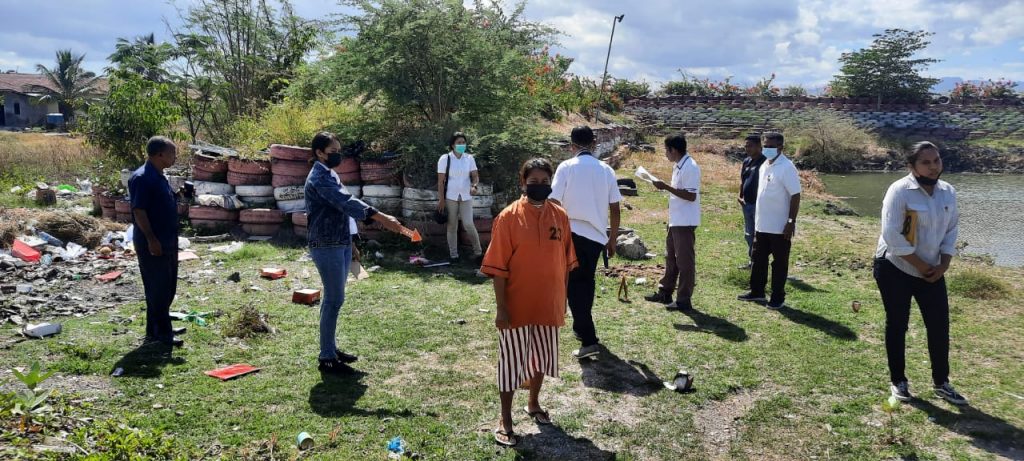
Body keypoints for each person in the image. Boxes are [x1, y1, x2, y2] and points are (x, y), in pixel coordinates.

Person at [481, 158, 577, 447]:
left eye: (544, 182)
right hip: (517, 306)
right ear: (522, 182)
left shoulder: (560, 216)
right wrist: (502, 308)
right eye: (533, 182)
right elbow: (498, 269)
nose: (539, 186)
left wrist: (563, 299)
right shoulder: (508, 218)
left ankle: (533, 403)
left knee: (542, 357)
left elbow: (566, 262)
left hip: (548, 302)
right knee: (511, 363)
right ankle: (505, 420)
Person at [875, 141, 967, 405]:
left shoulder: (948, 192)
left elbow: (951, 231)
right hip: (895, 266)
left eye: (936, 160)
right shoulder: (899, 191)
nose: (933, 167)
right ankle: (898, 381)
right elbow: (893, 236)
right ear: (912, 166)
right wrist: (921, 266)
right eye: (926, 162)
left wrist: (944, 264)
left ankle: (941, 382)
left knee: (939, 325)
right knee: (897, 323)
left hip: (932, 270)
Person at [305, 131, 404, 374]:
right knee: (333, 300)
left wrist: (351, 243)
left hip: (338, 242)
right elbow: (346, 202)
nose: (338, 155)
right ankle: (327, 357)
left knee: (334, 300)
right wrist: (382, 218)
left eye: (339, 151)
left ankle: (330, 349)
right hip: (326, 244)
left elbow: (342, 211)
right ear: (319, 153)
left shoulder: (330, 173)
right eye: (333, 152)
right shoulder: (319, 178)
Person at [549, 125, 622, 359]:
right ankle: (581, 329)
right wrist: (612, 238)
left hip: (571, 235)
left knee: (574, 287)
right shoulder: (606, 170)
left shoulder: (566, 167)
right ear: (594, 143)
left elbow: (553, 202)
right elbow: (615, 208)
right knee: (585, 283)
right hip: (596, 238)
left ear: (572, 146)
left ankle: (588, 338)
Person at [129, 136, 186, 347]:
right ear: (160, 154)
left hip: (167, 239)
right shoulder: (142, 178)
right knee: (158, 288)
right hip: (153, 241)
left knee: (167, 286)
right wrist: (151, 239)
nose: (175, 157)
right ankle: (162, 333)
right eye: (172, 153)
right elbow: (139, 210)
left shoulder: (159, 176)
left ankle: (158, 327)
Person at [737, 132, 801, 310]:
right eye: (765, 145)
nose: (767, 149)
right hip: (762, 224)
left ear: (781, 147)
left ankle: (777, 297)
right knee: (758, 259)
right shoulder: (765, 164)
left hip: (779, 226)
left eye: (771, 146)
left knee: (779, 263)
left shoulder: (787, 167)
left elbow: (795, 195)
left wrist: (790, 222)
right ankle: (757, 291)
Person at [644, 133, 701, 311]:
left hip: (685, 221)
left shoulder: (690, 167)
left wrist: (666, 187)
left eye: (666, 150)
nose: (665, 154)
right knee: (671, 258)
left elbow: (691, 195)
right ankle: (665, 292)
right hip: (676, 220)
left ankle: (684, 300)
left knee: (685, 262)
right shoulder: (678, 165)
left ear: (673, 150)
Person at [436, 132, 482, 263]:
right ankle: (454, 255)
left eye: (463, 142)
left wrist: (474, 186)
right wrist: (441, 200)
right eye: (459, 143)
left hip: (466, 196)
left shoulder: (469, 158)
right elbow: (440, 182)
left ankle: (478, 253)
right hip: (450, 197)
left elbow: (475, 176)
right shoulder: (445, 159)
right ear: (452, 145)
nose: (462, 145)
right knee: (452, 226)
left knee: (468, 224)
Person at [738, 134, 765, 268]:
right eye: (746, 146)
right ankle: (752, 261)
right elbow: (743, 180)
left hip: (758, 205)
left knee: (758, 235)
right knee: (749, 234)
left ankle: (759, 263)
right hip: (746, 203)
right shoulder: (747, 161)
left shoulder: (765, 162)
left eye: (750, 146)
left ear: (759, 146)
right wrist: (740, 196)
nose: (747, 148)